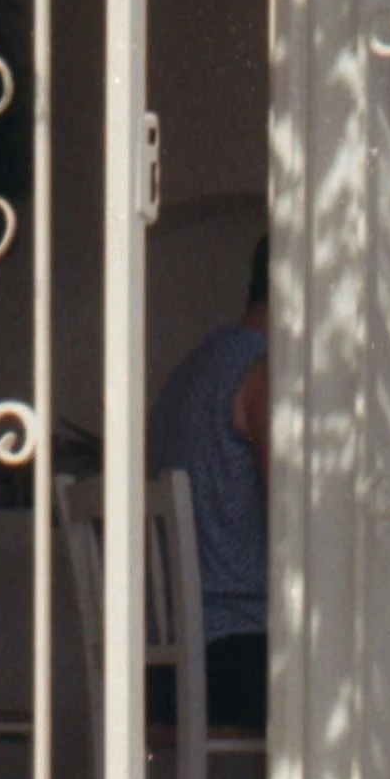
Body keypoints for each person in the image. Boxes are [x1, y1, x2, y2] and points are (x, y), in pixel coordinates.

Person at [148, 233, 271, 733]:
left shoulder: (186, 374)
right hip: (237, 658)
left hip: (173, 663)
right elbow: (298, 520)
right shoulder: (264, 372)